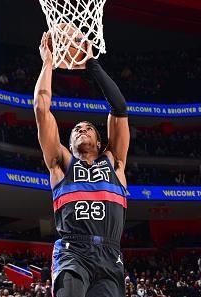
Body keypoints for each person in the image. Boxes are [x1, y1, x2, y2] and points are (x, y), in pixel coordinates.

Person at [34, 32, 130, 297]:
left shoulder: (114, 161)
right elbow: (42, 110)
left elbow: (120, 108)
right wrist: (48, 63)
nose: (81, 129)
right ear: (69, 141)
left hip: (110, 254)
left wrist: (92, 65)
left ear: (100, 143)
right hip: (72, 250)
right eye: (76, 128)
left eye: (88, 128)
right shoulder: (61, 163)